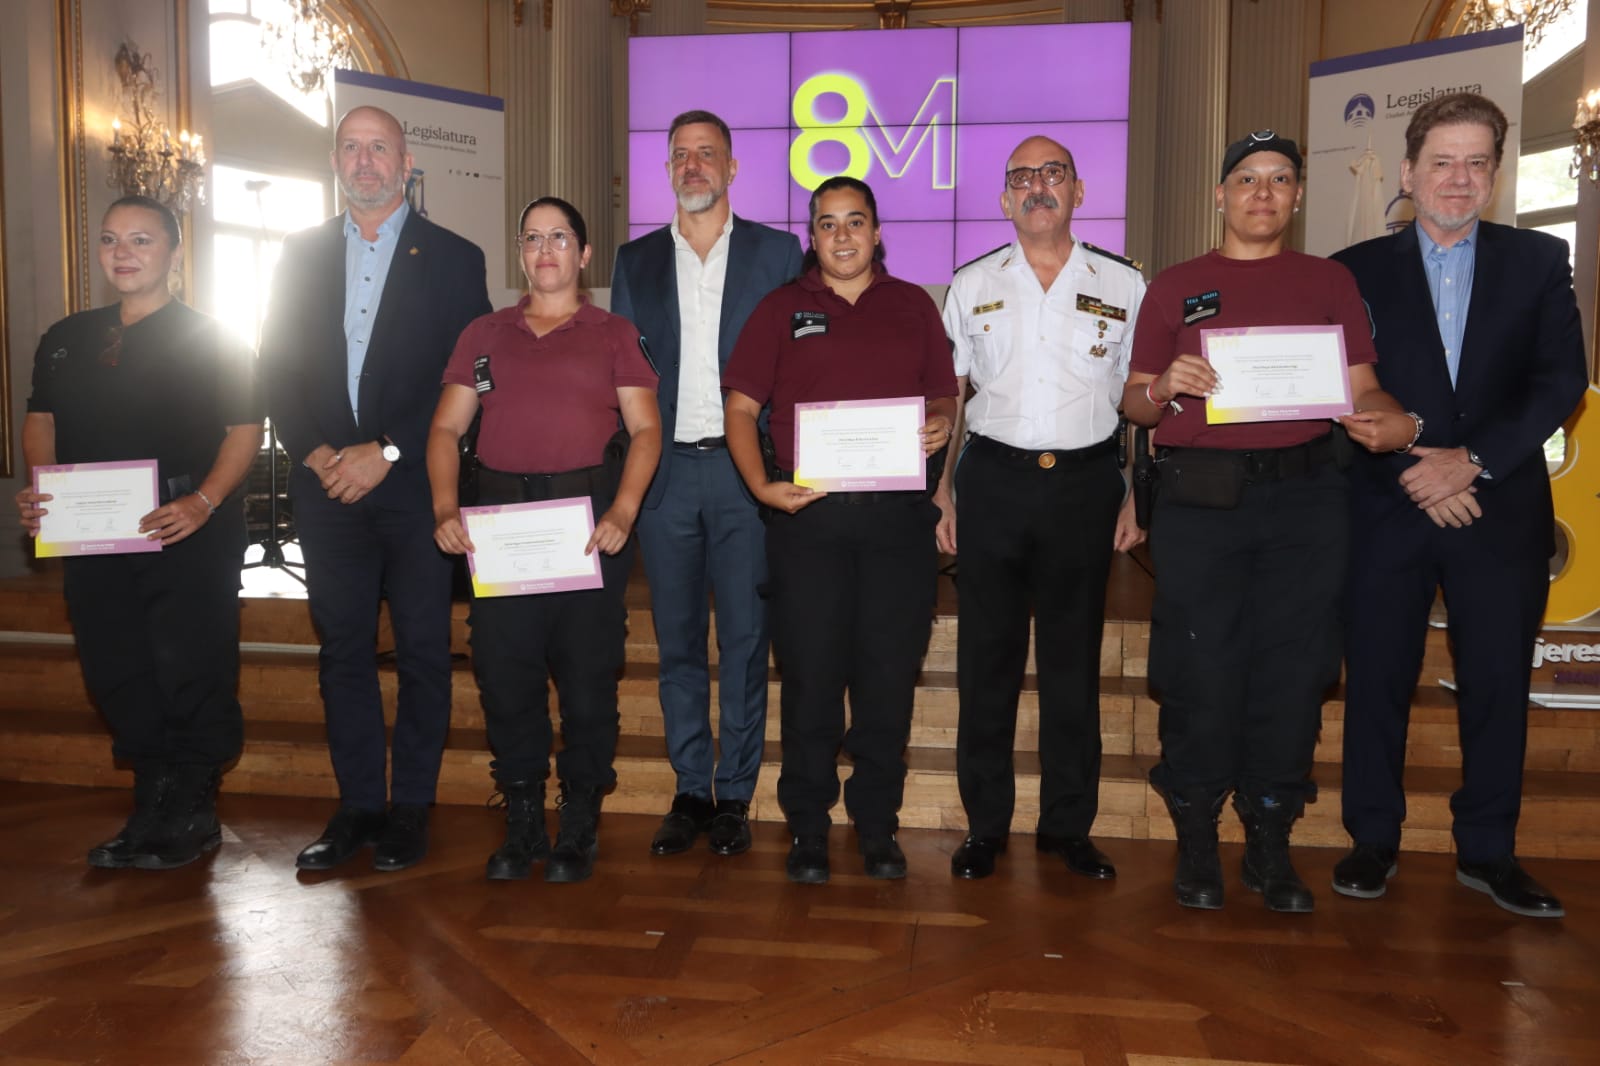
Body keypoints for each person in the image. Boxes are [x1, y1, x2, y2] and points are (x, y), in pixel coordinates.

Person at [1123, 131, 1412, 913]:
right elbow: (1134, 402)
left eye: (1280, 179)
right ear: (1220, 196)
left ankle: (1270, 842)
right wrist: (1165, 387)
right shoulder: (1176, 286)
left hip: (1307, 502)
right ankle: (1195, 840)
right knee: (1199, 669)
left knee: (1294, 671)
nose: (1262, 191)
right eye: (1247, 178)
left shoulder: (1329, 282)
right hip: (1201, 503)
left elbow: (1364, 388)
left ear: (1297, 196)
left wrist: (1399, 422)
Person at [1330, 93, 1588, 919]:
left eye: (1478, 161)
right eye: (1442, 160)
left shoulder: (1540, 261)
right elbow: (1335, 385)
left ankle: (1489, 850)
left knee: (1497, 681)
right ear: (1408, 172)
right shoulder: (1351, 270)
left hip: (1499, 505)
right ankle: (1372, 839)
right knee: (1377, 676)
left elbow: (1558, 382)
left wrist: (1469, 463)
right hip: (1387, 501)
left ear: (1496, 175)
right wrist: (1419, 463)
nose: (1459, 177)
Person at [260, 106, 491, 873]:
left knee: (424, 650)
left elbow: (465, 379)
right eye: (352, 148)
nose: (366, 162)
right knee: (344, 654)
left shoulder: (456, 258)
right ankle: (359, 803)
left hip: (414, 486)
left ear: (406, 158)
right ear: (336, 159)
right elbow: (274, 370)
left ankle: (411, 810)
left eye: (379, 148)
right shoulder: (297, 255)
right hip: (328, 489)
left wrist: (386, 449)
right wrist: (324, 454)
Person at [15, 194, 262, 869]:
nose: (122, 252)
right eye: (110, 240)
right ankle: (151, 800)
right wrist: (42, 488)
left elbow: (245, 430)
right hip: (91, 528)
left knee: (190, 662)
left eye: (142, 240)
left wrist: (205, 503)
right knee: (115, 662)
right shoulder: (66, 337)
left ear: (175, 255)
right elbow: (42, 423)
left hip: (185, 524)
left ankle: (193, 806)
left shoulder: (217, 336)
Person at [723, 176, 958, 884]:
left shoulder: (914, 305)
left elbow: (945, 391)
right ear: (813, 236)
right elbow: (740, 408)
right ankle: (808, 826)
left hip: (897, 525)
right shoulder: (781, 309)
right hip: (810, 524)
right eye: (828, 224)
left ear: (878, 230)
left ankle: (878, 824)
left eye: (856, 221)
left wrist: (945, 421)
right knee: (812, 678)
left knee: (888, 679)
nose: (844, 235)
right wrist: (762, 485)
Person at [427, 197, 662, 884]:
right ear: (521, 253)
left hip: (585, 520)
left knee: (588, 680)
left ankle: (580, 816)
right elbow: (445, 431)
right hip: (501, 521)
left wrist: (623, 509)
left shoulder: (615, 331)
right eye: (532, 238)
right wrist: (446, 506)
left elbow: (646, 431)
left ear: (583, 254)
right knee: (506, 677)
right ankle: (525, 816)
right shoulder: (483, 333)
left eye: (559, 237)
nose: (545, 249)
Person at [937, 135, 1147, 883]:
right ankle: (985, 827)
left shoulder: (1124, 285)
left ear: (1078, 190)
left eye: (1052, 173)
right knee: (984, 665)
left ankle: (1068, 826)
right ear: (1004, 199)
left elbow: (1137, 396)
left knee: (1072, 666)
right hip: (992, 482)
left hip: (1086, 487)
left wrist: (1129, 491)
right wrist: (943, 491)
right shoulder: (971, 284)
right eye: (1022, 178)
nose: (1037, 188)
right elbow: (952, 397)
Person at [610, 110, 803, 859]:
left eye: (707, 155)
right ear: (667, 171)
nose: (693, 167)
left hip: (742, 475)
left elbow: (795, 368)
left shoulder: (778, 252)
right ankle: (692, 787)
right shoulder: (635, 261)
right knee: (680, 643)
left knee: (748, 644)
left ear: (732, 168)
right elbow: (625, 374)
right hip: (663, 478)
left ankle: (737, 794)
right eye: (680, 156)